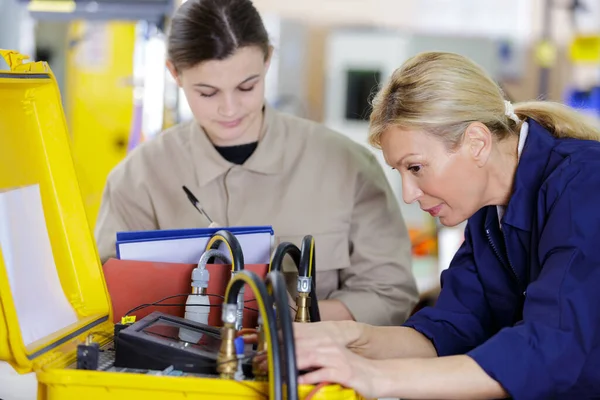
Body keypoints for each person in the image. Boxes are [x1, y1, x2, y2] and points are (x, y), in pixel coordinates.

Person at [293, 51, 600, 399]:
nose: (408, 194)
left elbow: (549, 348)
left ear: (477, 143)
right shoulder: (488, 214)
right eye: (401, 172)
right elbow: (450, 329)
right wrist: (350, 337)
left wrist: (375, 376)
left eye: (416, 168)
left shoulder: (585, 184)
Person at [94, 0, 418, 326]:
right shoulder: (138, 178)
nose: (229, 109)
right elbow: (106, 299)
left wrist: (293, 318)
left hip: (307, 373)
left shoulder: (348, 166)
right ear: (175, 73)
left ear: (267, 60)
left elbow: (390, 294)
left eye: (246, 87)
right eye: (207, 93)